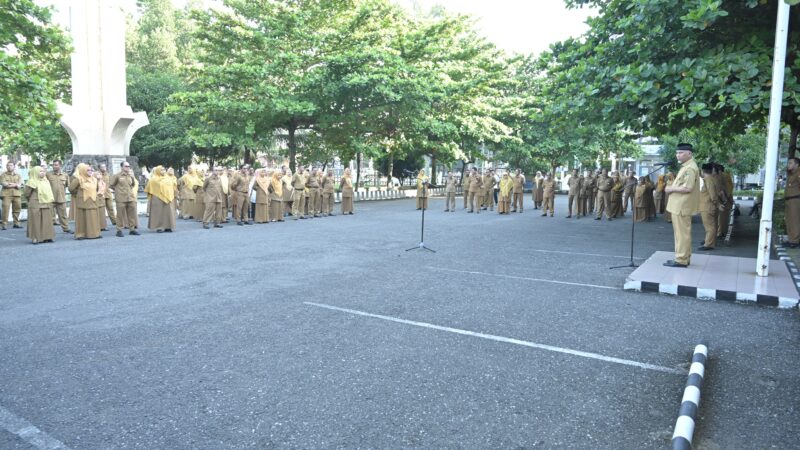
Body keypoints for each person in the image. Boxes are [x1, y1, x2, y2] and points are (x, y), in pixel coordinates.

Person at [664, 143, 700, 267]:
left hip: (682, 206)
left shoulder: (690, 168)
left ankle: (681, 259)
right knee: (681, 234)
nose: (677, 155)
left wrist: (670, 189)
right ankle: (684, 257)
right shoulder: (686, 166)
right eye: (677, 153)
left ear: (689, 154)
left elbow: (687, 188)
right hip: (679, 206)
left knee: (682, 234)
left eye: (681, 153)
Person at [68, 163, 102, 240]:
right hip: (82, 202)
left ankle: (95, 234)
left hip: (93, 201)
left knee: (93, 218)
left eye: (91, 170)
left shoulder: (94, 179)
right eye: (88, 170)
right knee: (81, 219)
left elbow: (96, 189)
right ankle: (80, 234)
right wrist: (78, 193)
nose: (90, 171)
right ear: (83, 171)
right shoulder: (79, 179)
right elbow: (71, 188)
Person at [23, 165, 55, 244]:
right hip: (35, 203)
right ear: (35, 172)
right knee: (35, 221)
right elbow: (26, 194)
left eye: (43, 171)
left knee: (46, 221)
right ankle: (35, 237)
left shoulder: (46, 181)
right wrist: (32, 200)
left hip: (46, 203)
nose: (43, 173)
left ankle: (47, 236)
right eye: (40, 171)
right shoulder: (31, 182)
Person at [109, 161, 140, 237]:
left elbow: (133, 184)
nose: (128, 167)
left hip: (130, 198)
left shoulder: (130, 176)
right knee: (120, 215)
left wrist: (132, 178)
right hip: (121, 198)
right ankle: (119, 230)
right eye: (126, 166)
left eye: (128, 166)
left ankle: (132, 229)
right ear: (122, 167)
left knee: (131, 215)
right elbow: (111, 185)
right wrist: (118, 191)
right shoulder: (117, 176)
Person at [144, 166, 176, 233]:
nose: (163, 171)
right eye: (161, 170)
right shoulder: (153, 179)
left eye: (164, 170)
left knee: (168, 212)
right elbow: (149, 189)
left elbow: (173, 187)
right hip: (157, 198)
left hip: (169, 198)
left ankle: (168, 226)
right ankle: (159, 227)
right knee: (159, 213)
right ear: (157, 171)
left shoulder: (168, 178)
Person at [697, 164, 719, 251]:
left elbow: (713, 195)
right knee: (709, 226)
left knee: (709, 226)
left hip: (708, 206)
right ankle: (709, 241)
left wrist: (717, 204)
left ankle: (709, 244)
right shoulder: (708, 179)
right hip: (706, 206)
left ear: (703, 171)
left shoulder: (709, 179)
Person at [46, 160, 72, 233]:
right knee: (48, 215)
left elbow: (68, 185)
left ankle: (66, 228)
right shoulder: (48, 174)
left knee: (63, 215)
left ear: (60, 165)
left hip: (61, 198)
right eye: (53, 165)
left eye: (56, 165)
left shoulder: (65, 175)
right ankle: (48, 231)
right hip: (50, 198)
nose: (54, 166)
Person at [0, 161, 23, 230]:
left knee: (17, 209)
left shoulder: (18, 175)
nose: (9, 167)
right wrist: (15, 184)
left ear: (14, 166)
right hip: (6, 194)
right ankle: (4, 224)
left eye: (11, 165)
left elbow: (20, 184)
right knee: (5, 210)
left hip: (16, 194)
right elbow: (4, 184)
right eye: (8, 165)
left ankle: (16, 223)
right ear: (6, 167)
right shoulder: (3, 175)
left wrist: (13, 184)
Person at [784, 157, 800, 248]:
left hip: (795, 200)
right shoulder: (791, 174)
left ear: (797, 164)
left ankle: (794, 241)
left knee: (794, 221)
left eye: (790, 163)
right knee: (789, 220)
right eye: (788, 163)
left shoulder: (798, 173)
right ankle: (791, 239)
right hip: (789, 200)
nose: (788, 165)